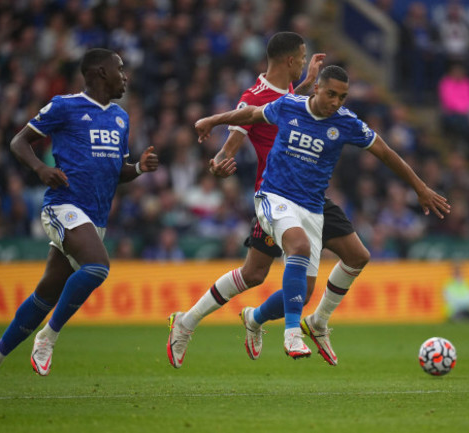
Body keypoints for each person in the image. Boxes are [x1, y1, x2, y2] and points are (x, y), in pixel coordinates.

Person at [191, 65, 450, 361]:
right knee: (273, 263)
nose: (336, 102)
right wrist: (213, 120)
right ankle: (292, 333)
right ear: (316, 88)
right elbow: (250, 114)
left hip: (313, 205)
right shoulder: (289, 106)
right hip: (276, 196)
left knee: (326, 276)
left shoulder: (346, 122)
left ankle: (281, 319)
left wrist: (419, 187)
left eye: (342, 97)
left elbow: (385, 152)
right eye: (331, 94)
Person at [166, 31, 368, 368]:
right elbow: (235, 136)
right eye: (302, 58)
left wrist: (309, 83)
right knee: (253, 274)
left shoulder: (291, 92)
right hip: (277, 197)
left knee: (350, 258)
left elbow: (296, 107)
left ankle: (272, 320)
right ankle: (188, 323)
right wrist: (218, 163)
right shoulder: (252, 96)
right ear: (290, 60)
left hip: (311, 195)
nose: (305, 62)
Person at [0, 48, 159, 399]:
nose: (126, 76)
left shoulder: (120, 117)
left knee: (46, 293)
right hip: (63, 207)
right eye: (120, 69)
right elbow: (18, 141)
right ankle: (48, 337)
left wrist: (138, 168)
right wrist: (41, 169)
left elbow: (116, 172)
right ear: (101, 72)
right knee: (98, 266)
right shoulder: (65, 106)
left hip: (94, 218)